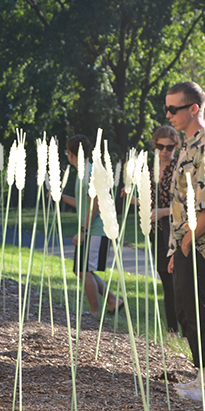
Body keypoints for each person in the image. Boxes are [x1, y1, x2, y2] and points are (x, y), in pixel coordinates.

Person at [165, 81, 205, 409]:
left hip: (203, 243)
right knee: (188, 309)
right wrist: (178, 245)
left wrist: (188, 241)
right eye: (166, 108)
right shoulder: (188, 143)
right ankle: (203, 374)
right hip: (187, 241)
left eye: (173, 109)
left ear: (194, 109)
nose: (168, 114)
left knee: (202, 310)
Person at [59, 135, 122, 319]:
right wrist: (61, 197)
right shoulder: (85, 171)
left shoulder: (89, 172)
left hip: (96, 230)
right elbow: (83, 203)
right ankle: (113, 301)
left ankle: (95, 311)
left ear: (71, 153)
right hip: (92, 229)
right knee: (83, 270)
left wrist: (84, 230)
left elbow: (95, 203)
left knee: (83, 270)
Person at [148, 126, 179, 333]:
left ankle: (184, 330)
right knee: (164, 276)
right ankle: (172, 329)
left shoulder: (179, 169)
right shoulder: (151, 168)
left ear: (175, 147)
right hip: (156, 230)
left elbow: (184, 204)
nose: (164, 151)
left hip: (174, 229)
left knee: (175, 278)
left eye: (169, 147)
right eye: (160, 146)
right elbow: (150, 202)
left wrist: (164, 212)